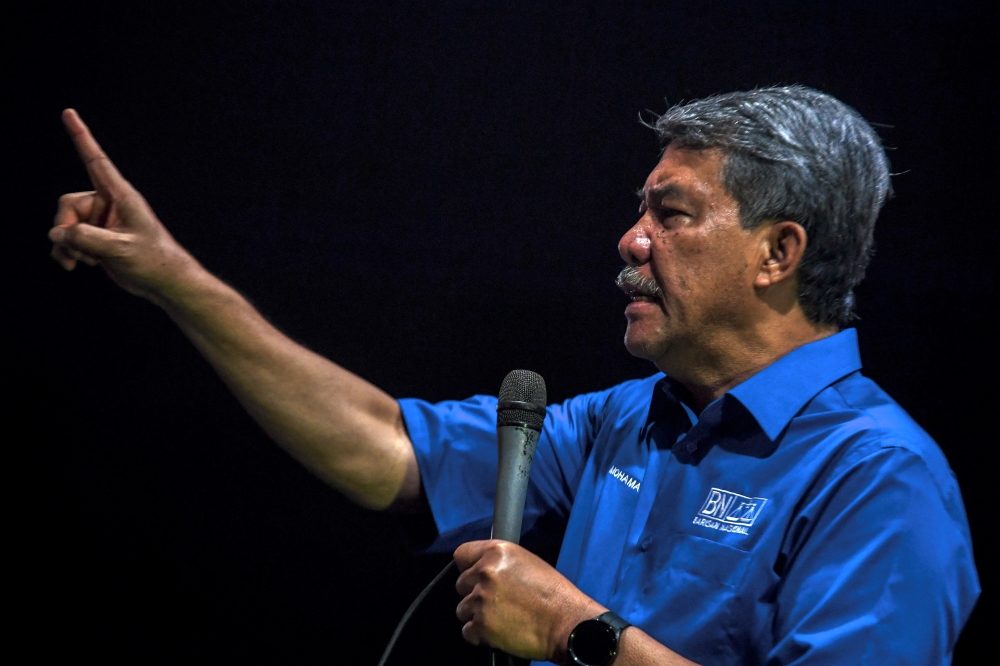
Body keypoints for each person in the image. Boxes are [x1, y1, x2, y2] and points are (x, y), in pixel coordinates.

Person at [49, 86, 978, 665]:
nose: (631, 240)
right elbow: (383, 449)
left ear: (778, 253)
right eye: (638, 210)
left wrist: (579, 635)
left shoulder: (879, 479)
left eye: (674, 214)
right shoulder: (629, 421)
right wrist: (173, 277)